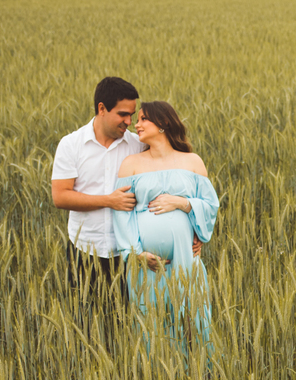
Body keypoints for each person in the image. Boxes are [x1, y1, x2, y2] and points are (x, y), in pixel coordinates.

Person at [50, 77, 201, 301]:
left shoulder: (138, 144)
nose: (129, 121)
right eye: (123, 114)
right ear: (102, 108)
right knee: (85, 322)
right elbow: (60, 197)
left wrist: (192, 227)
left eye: (132, 114)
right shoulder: (71, 145)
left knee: (127, 324)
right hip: (84, 249)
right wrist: (108, 200)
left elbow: (174, 178)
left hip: (131, 254)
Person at [113, 101, 218, 364]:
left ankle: (197, 378)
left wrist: (182, 203)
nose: (136, 125)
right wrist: (135, 253)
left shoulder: (191, 161)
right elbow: (122, 214)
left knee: (191, 320)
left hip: (186, 259)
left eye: (143, 119)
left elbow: (210, 205)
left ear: (164, 124)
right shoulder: (131, 164)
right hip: (147, 265)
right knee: (152, 325)